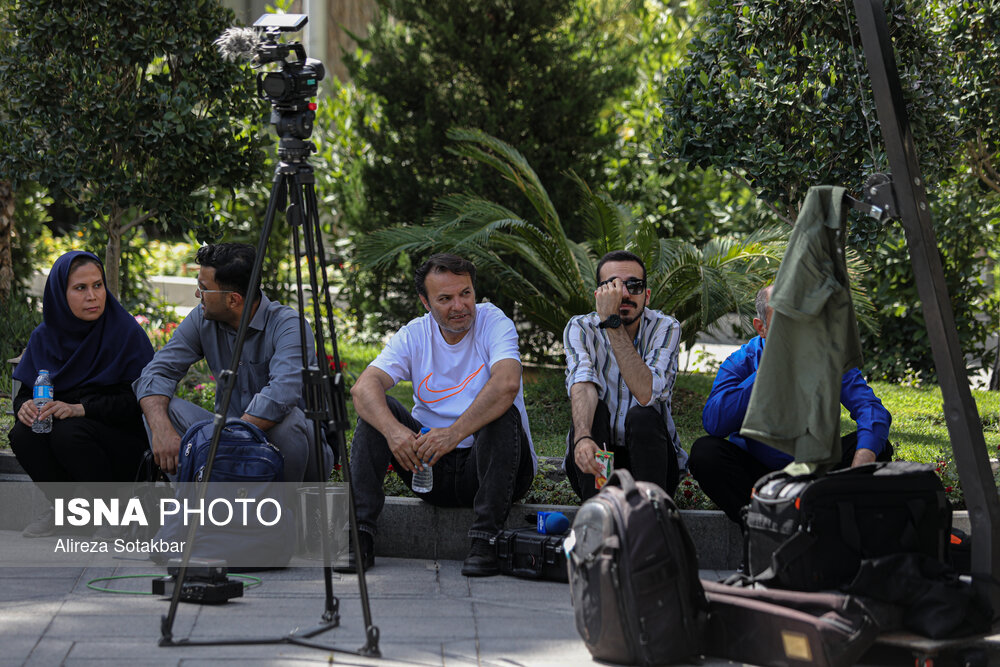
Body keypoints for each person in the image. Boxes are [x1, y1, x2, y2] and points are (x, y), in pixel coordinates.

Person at [346, 253, 535, 577]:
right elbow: (363, 388)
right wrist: (394, 432)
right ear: (425, 302)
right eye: (445, 299)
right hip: (429, 468)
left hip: (495, 469)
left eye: (465, 293)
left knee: (501, 413)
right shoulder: (414, 334)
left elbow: (507, 383)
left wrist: (453, 434)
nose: (460, 306)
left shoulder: (494, 322)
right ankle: (359, 536)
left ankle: (486, 541)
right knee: (377, 410)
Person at [689, 284, 893, 523]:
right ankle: (759, 525)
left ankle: (822, 520)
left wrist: (862, 461)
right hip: (756, 476)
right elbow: (714, 423)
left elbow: (870, 409)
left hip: (817, 470)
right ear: (762, 328)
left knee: (877, 448)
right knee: (705, 453)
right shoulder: (742, 361)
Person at [134, 243, 331, 483]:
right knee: (159, 409)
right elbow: (156, 373)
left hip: (290, 451)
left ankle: (287, 505)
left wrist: (221, 440)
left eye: (203, 288)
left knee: (287, 422)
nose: (197, 294)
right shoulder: (202, 319)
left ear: (233, 300)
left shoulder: (289, 326)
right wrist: (162, 429)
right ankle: (196, 501)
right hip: (225, 438)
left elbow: (281, 395)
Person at [9, 251, 155, 537]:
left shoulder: (124, 333)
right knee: (24, 434)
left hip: (122, 442)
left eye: (98, 285)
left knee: (69, 432)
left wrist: (82, 408)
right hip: (74, 437)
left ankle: (116, 511)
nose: (92, 296)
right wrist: (24, 406)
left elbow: (139, 401)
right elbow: (26, 392)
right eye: (80, 288)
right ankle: (66, 510)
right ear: (60, 294)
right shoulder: (45, 337)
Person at [563, 250, 684, 501]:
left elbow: (646, 393)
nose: (624, 294)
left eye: (634, 286)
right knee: (595, 412)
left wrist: (612, 323)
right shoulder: (581, 328)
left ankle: (650, 514)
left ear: (646, 295)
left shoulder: (666, 327)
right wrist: (582, 437)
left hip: (653, 462)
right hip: (599, 456)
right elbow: (582, 383)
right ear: (599, 295)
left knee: (643, 415)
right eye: (613, 286)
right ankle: (599, 512)